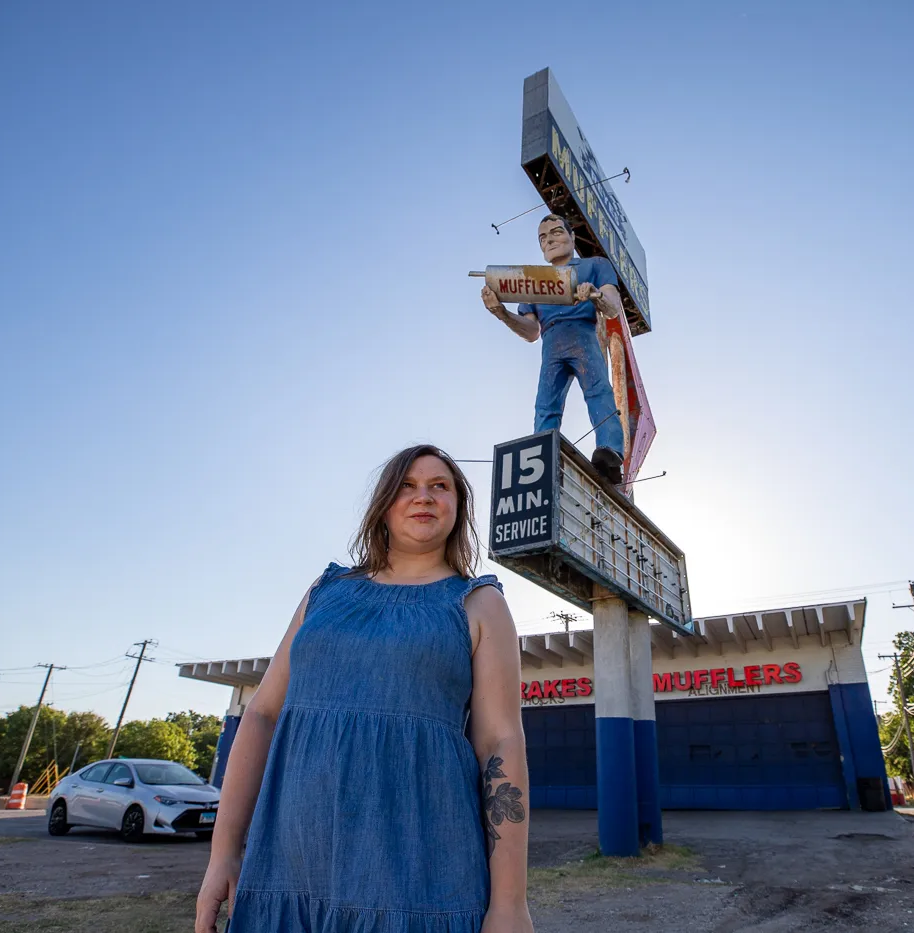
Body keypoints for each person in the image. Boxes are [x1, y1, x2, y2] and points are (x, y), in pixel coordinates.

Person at [195, 445, 533, 933]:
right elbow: (263, 714)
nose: (425, 497)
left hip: (421, 884)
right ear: (384, 503)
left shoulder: (480, 604)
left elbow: (501, 743)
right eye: (408, 485)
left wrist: (509, 905)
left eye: (441, 486)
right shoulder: (324, 593)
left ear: (458, 508)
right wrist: (223, 854)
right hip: (290, 875)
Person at [482, 214, 626, 484]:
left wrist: (594, 294)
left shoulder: (594, 265)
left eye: (557, 232)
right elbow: (531, 331)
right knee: (545, 404)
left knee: (598, 391)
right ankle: (541, 456)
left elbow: (611, 306)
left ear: (572, 237)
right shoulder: (533, 280)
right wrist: (501, 312)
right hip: (551, 343)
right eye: (543, 238)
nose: (550, 241)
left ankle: (610, 449)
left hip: (583, 334)